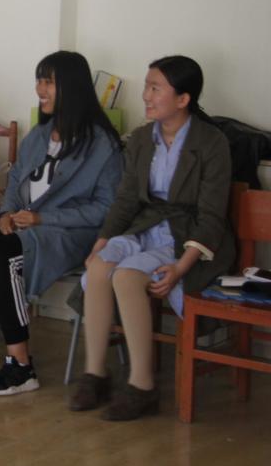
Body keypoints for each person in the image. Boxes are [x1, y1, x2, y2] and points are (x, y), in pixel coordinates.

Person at [0, 51, 123, 395]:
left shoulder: (102, 145)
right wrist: (5, 215)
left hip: (69, 234)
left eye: (48, 82)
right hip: (24, 225)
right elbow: (15, 182)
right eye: (38, 81)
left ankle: (21, 364)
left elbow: (105, 210)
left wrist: (43, 218)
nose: (40, 89)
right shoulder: (40, 135)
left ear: (71, 86)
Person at [70, 55, 234, 420]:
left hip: (187, 237)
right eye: (146, 86)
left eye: (155, 88)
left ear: (183, 99)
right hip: (147, 226)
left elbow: (211, 218)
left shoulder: (212, 143)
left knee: (127, 277)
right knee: (99, 268)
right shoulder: (143, 138)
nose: (145, 95)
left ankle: (142, 386)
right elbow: (126, 199)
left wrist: (180, 268)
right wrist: (102, 241)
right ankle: (95, 374)